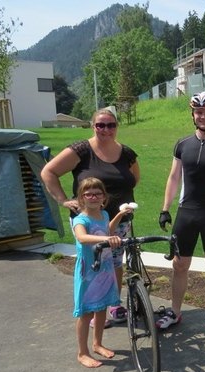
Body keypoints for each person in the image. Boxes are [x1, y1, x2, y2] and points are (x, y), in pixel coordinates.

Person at [41, 108, 139, 328]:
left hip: (119, 220)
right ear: (93, 126)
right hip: (89, 222)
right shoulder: (81, 150)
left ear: (117, 127)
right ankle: (93, 309)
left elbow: (134, 179)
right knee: (93, 265)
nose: (106, 129)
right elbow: (48, 172)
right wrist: (63, 199)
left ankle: (112, 304)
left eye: (111, 125)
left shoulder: (127, 153)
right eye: (100, 125)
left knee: (114, 262)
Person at [157, 91, 205, 332]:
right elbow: (173, 178)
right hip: (186, 212)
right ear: (193, 115)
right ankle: (175, 311)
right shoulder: (182, 144)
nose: (203, 116)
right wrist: (165, 208)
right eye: (199, 112)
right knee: (180, 265)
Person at [71, 177, 133, 368]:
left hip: (104, 269)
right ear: (82, 198)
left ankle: (97, 344)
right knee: (87, 313)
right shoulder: (80, 219)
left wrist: (119, 216)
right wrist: (108, 237)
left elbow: (107, 229)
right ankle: (82, 352)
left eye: (97, 193)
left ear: (103, 197)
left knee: (101, 310)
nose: (93, 196)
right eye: (88, 193)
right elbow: (81, 238)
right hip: (89, 272)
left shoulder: (104, 214)